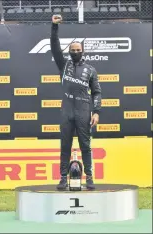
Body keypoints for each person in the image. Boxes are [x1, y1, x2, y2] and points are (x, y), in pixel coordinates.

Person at [50, 15, 102, 190]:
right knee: (65, 146)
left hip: (84, 111)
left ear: (83, 51)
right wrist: (54, 27)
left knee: (85, 146)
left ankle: (89, 178)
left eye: (78, 49)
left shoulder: (91, 70)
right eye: (72, 49)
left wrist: (96, 112)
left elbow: (96, 92)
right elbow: (55, 48)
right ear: (69, 51)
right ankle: (63, 178)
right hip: (66, 111)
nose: (75, 51)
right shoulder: (64, 66)